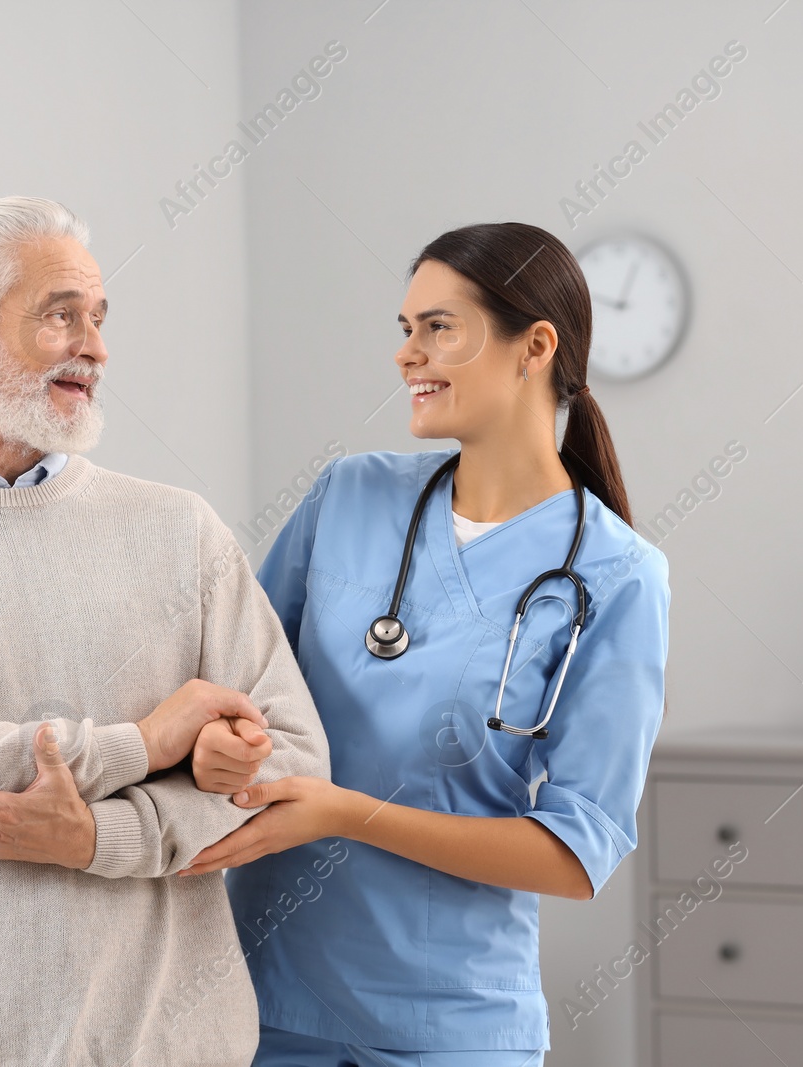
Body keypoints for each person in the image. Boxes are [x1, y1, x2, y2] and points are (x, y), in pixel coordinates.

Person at [0, 196, 329, 1067]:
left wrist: (99, 841)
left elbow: (295, 756)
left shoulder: (180, 529)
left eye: (101, 319)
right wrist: (141, 743)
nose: (96, 347)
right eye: (62, 315)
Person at [180, 222, 671, 1065]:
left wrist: (349, 814)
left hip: (452, 1027)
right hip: (264, 1000)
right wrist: (221, 739)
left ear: (535, 347)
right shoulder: (349, 495)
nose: (409, 354)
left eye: (438, 327)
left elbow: (574, 853)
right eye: (405, 330)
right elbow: (235, 678)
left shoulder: (617, 575)